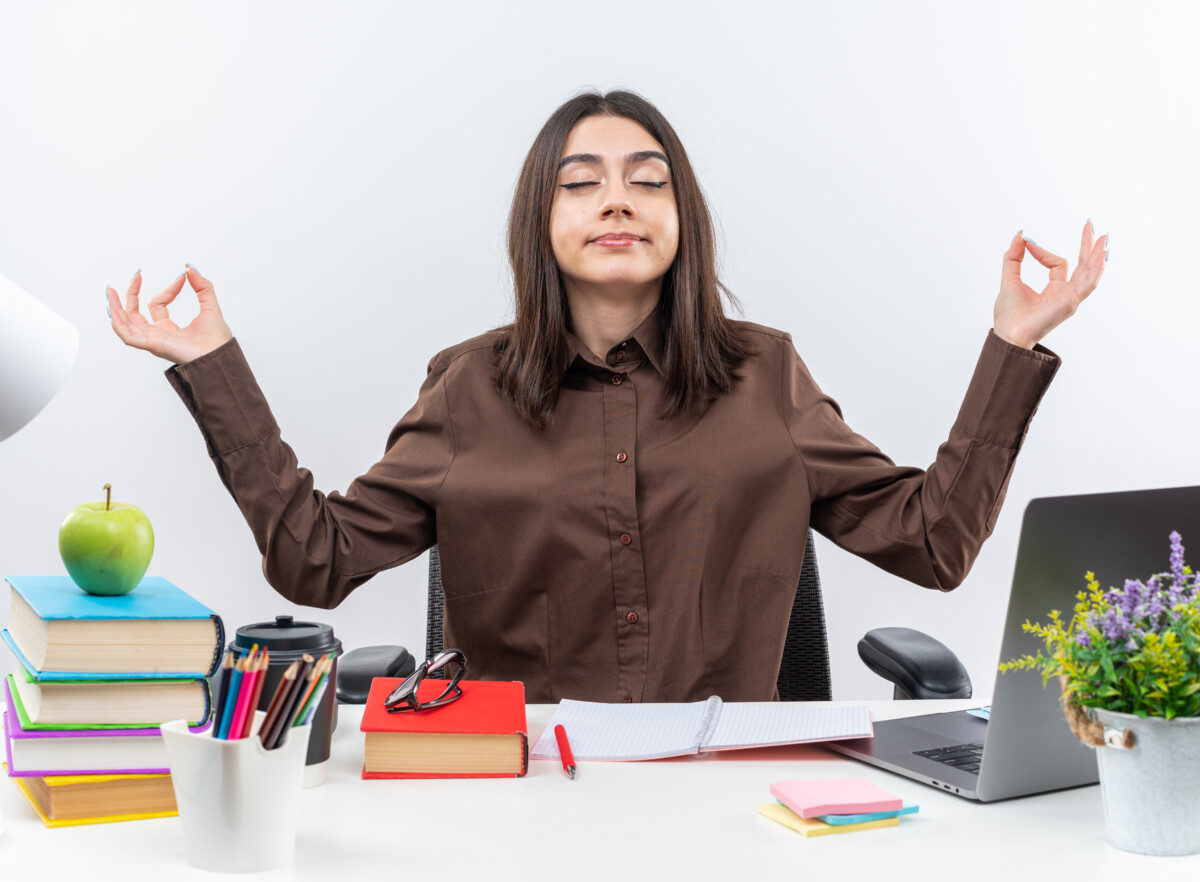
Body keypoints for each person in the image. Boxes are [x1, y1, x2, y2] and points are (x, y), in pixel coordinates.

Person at [106, 90, 1108, 704]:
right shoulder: (468, 386)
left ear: (684, 218)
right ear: (541, 221)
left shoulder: (767, 376)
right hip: (523, 791)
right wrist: (214, 365)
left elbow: (931, 545)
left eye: (648, 179)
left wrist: (1011, 345)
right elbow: (313, 562)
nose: (617, 199)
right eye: (580, 182)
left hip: (730, 796)